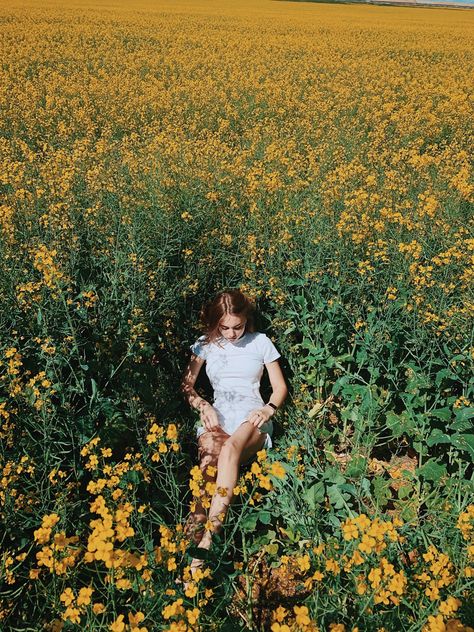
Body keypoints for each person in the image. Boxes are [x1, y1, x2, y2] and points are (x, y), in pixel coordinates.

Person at [181, 289, 288, 576]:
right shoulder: (205, 345)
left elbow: (280, 388)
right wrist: (202, 404)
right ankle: (184, 565)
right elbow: (187, 386)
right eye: (224, 327)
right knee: (204, 477)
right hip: (218, 416)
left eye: (237, 326)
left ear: (247, 320)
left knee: (229, 450)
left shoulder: (261, 342)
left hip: (251, 418)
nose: (230, 333)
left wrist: (268, 409)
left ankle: (206, 543)